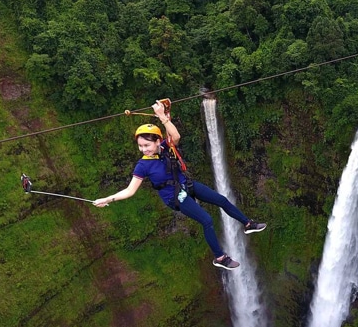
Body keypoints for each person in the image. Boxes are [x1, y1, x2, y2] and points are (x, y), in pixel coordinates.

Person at [93, 100, 266, 270]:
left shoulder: (166, 147)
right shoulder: (143, 165)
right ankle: (220, 258)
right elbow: (130, 190)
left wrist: (163, 117)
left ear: (157, 141)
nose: (143, 149)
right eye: (140, 146)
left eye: (146, 145)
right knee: (207, 220)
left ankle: (248, 224)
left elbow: (176, 136)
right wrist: (108, 199)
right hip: (175, 197)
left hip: (187, 185)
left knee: (222, 200)